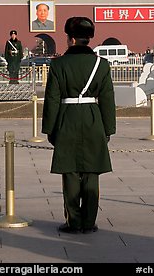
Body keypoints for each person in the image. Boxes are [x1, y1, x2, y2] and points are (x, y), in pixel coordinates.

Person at [42, 16, 116, 234]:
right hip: (93, 119)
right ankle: (89, 221)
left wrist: (50, 128)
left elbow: (52, 99)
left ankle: (73, 221)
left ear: (71, 39)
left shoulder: (58, 65)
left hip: (67, 118)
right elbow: (108, 99)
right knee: (92, 172)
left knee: (71, 172)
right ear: (88, 38)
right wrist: (108, 129)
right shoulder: (101, 65)